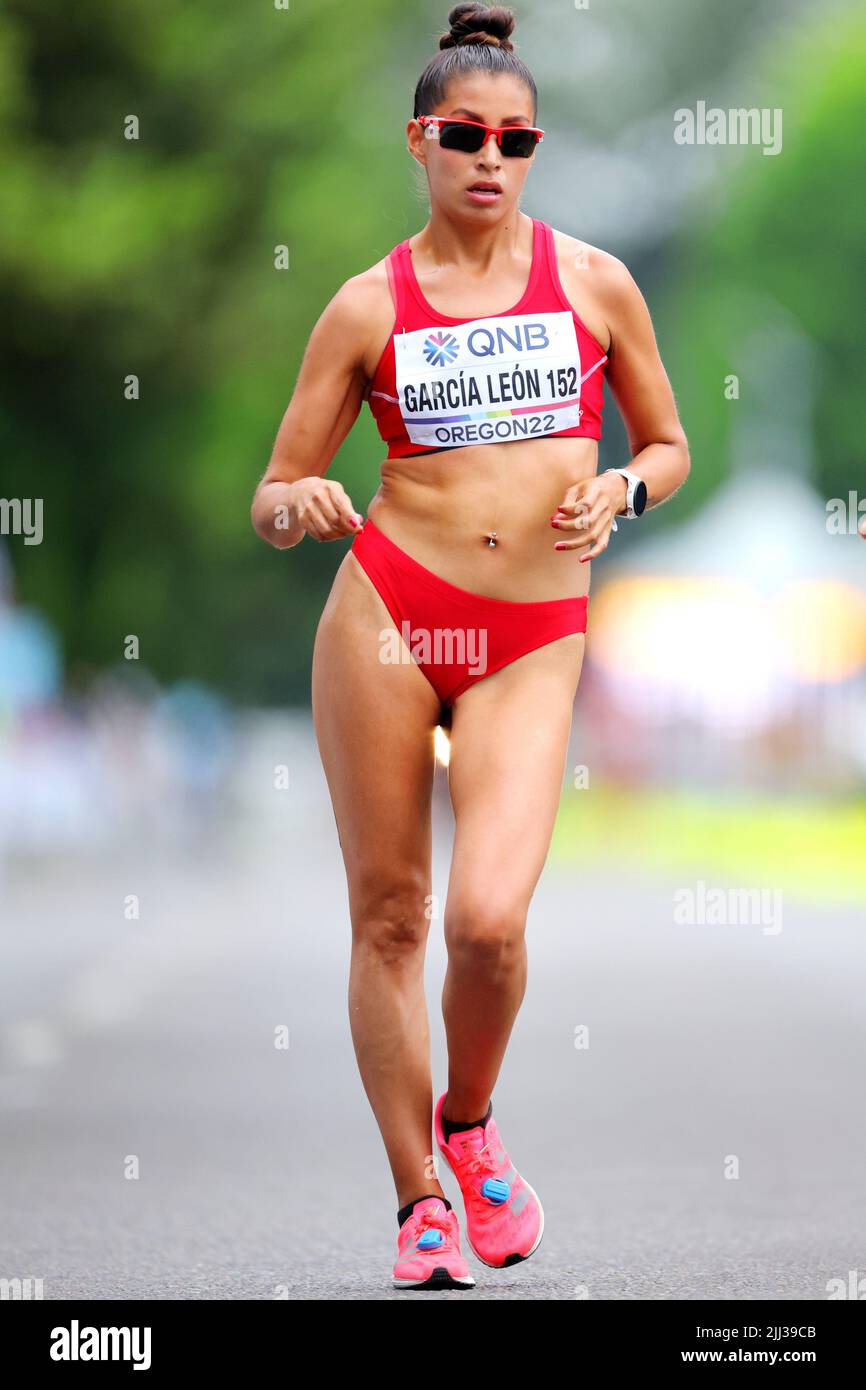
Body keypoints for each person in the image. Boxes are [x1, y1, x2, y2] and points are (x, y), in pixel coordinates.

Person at [251, 2, 690, 1291]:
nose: (491, 158)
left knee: (488, 922)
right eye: (465, 135)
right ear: (421, 142)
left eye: (517, 138)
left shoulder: (596, 284)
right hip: (389, 613)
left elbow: (666, 444)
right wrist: (305, 507)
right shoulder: (363, 307)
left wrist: (627, 492)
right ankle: (417, 1201)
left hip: (532, 631)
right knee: (392, 916)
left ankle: (472, 1121)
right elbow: (273, 493)